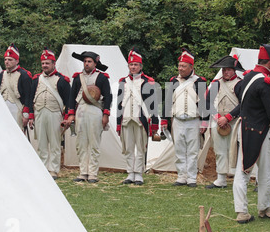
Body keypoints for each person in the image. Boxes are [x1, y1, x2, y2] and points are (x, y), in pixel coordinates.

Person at [232, 43, 270, 224]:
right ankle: (249, 210)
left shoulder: (248, 76)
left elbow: (237, 91)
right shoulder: (265, 82)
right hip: (262, 130)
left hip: (246, 127)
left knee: (246, 169)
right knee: (255, 171)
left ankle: (257, 208)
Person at [162, 48, 208, 187]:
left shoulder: (200, 81)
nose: (180, 69)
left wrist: (204, 122)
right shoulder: (173, 81)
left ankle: (192, 178)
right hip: (177, 120)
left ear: (191, 67)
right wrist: (164, 119)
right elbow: (168, 101)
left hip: (193, 120)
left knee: (193, 151)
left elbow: (205, 103)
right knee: (180, 150)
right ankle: (181, 176)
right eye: (180, 66)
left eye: (184, 66)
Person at [63, 51, 112, 183]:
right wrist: (71, 114)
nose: (86, 64)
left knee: (94, 143)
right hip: (81, 111)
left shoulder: (102, 78)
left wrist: (106, 114)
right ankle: (83, 172)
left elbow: (108, 97)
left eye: (89, 61)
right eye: (85, 61)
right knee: (81, 143)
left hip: (96, 110)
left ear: (95, 63)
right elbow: (72, 98)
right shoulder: (77, 78)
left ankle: (92, 174)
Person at [117, 48, 159, 185]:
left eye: (136, 65)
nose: (133, 67)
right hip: (126, 118)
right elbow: (119, 103)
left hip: (141, 119)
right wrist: (118, 122)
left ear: (141, 66)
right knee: (128, 148)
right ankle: (130, 173)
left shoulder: (148, 81)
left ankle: (139, 173)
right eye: (131, 65)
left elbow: (153, 104)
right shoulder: (123, 82)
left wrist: (154, 122)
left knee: (141, 147)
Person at [28, 48, 70, 180]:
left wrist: (68, 117)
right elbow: (30, 98)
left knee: (55, 143)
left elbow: (68, 101)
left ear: (53, 63)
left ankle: (53, 170)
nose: (45, 66)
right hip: (39, 113)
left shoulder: (62, 80)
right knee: (41, 143)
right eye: (43, 63)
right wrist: (30, 116)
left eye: (47, 63)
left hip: (54, 114)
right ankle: (43, 168)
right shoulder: (36, 80)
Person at [204, 54, 244, 189]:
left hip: (234, 121)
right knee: (220, 150)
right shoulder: (216, 83)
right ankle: (221, 178)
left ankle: (237, 178)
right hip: (218, 121)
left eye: (229, 70)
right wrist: (217, 118)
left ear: (234, 70)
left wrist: (228, 117)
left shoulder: (240, 84)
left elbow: (243, 104)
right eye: (224, 70)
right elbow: (208, 102)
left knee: (236, 150)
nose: (226, 72)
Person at [0, 44, 32, 130]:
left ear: (17, 61)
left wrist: (26, 114)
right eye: (5, 59)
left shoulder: (24, 75)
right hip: (3, 108)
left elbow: (29, 96)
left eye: (10, 59)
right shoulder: (2, 74)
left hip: (18, 108)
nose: (6, 62)